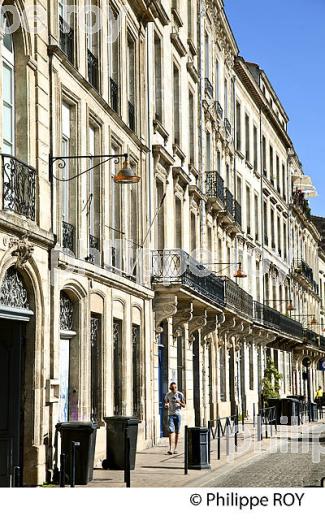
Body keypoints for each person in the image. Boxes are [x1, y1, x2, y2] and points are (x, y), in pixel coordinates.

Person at [164, 382, 185, 455]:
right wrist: (166, 405)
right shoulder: (168, 395)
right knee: (171, 431)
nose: (174, 389)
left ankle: (175, 448)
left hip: (178, 415)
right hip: (171, 415)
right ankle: (171, 448)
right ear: (170, 388)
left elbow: (184, 405)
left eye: (175, 387)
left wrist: (179, 402)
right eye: (172, 388)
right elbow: (166, 402)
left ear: (176, 387)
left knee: (177, 432)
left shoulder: (180, 394)